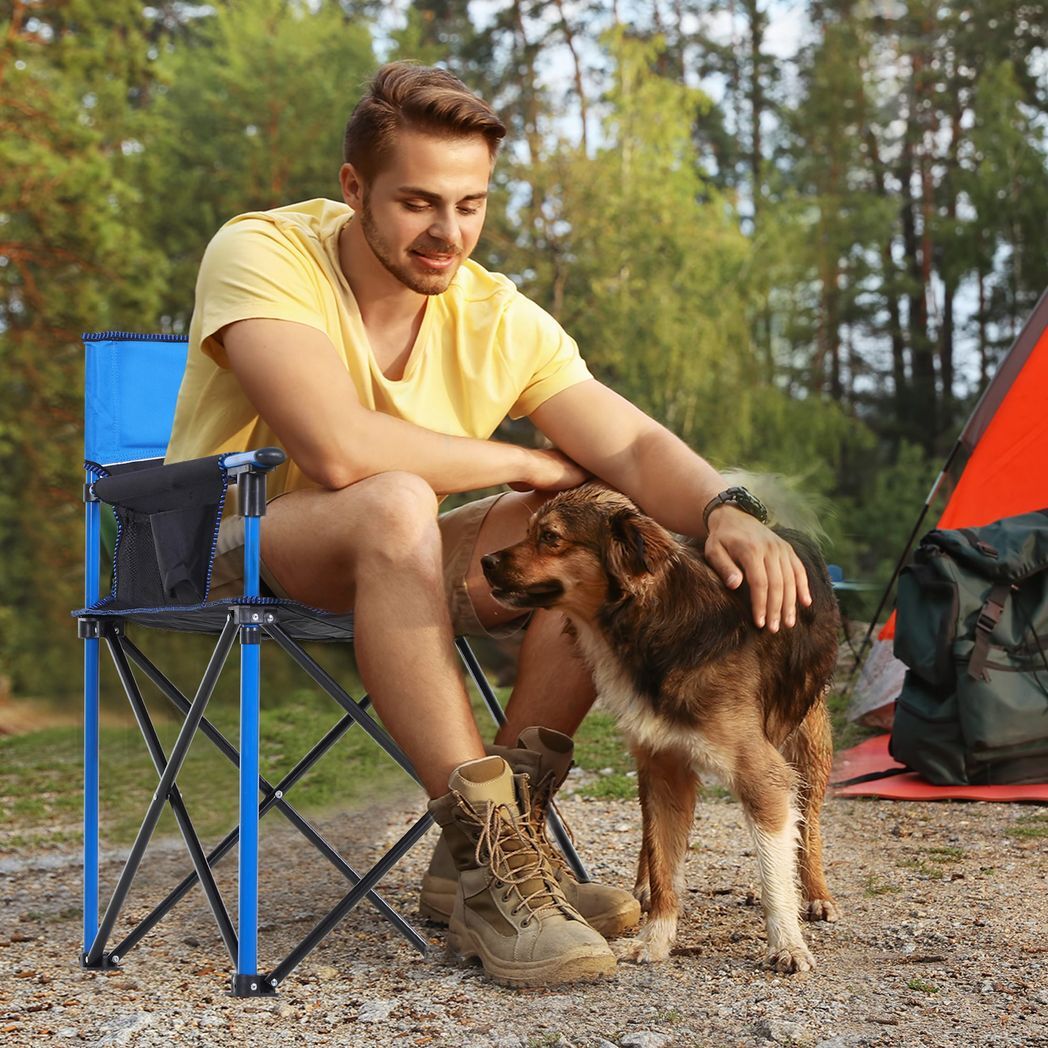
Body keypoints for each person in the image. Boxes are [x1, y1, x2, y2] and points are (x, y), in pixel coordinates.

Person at [166, 62, 812, 988]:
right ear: (354, 188)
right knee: (400, 497)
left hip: (391, 554)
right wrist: (528, 462)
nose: (448, 232)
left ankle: (490, 856)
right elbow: (338, 450)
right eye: (418, 203)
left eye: (470, 205)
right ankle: (491, 852)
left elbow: (630, 443)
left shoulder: (493, 312)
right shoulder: (263, 251)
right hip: (231, 541)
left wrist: (728, 509)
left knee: (587, 530)